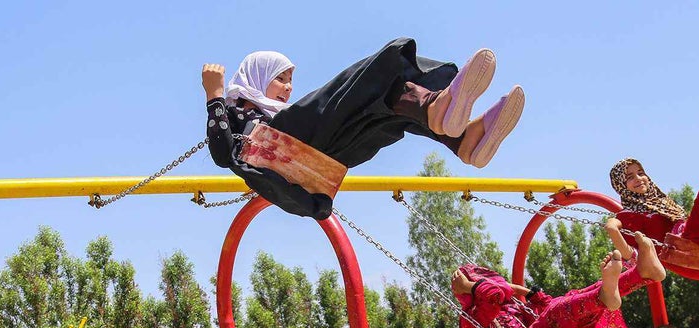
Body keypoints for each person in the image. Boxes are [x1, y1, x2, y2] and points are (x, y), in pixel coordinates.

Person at [203, 39, 526, 220]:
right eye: (280, 78)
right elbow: (222, 152)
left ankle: (463, 139)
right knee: (381, 68)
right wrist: (214, 95)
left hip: (319, 159)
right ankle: (437, 107)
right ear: (255, 77)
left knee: (385, 108)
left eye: (290, 80)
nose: (288, 88)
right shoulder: (238, 109)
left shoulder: (283, 112)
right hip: (285, 150)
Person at [451, 224, 666, 328]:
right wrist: (469, 286)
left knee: (570, 301)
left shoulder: (511, 306)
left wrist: (527, 293)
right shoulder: (471, 317)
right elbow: (494, 294)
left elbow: (542, 306)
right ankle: (610, 292)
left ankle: (640, 274)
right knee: (558, 310)